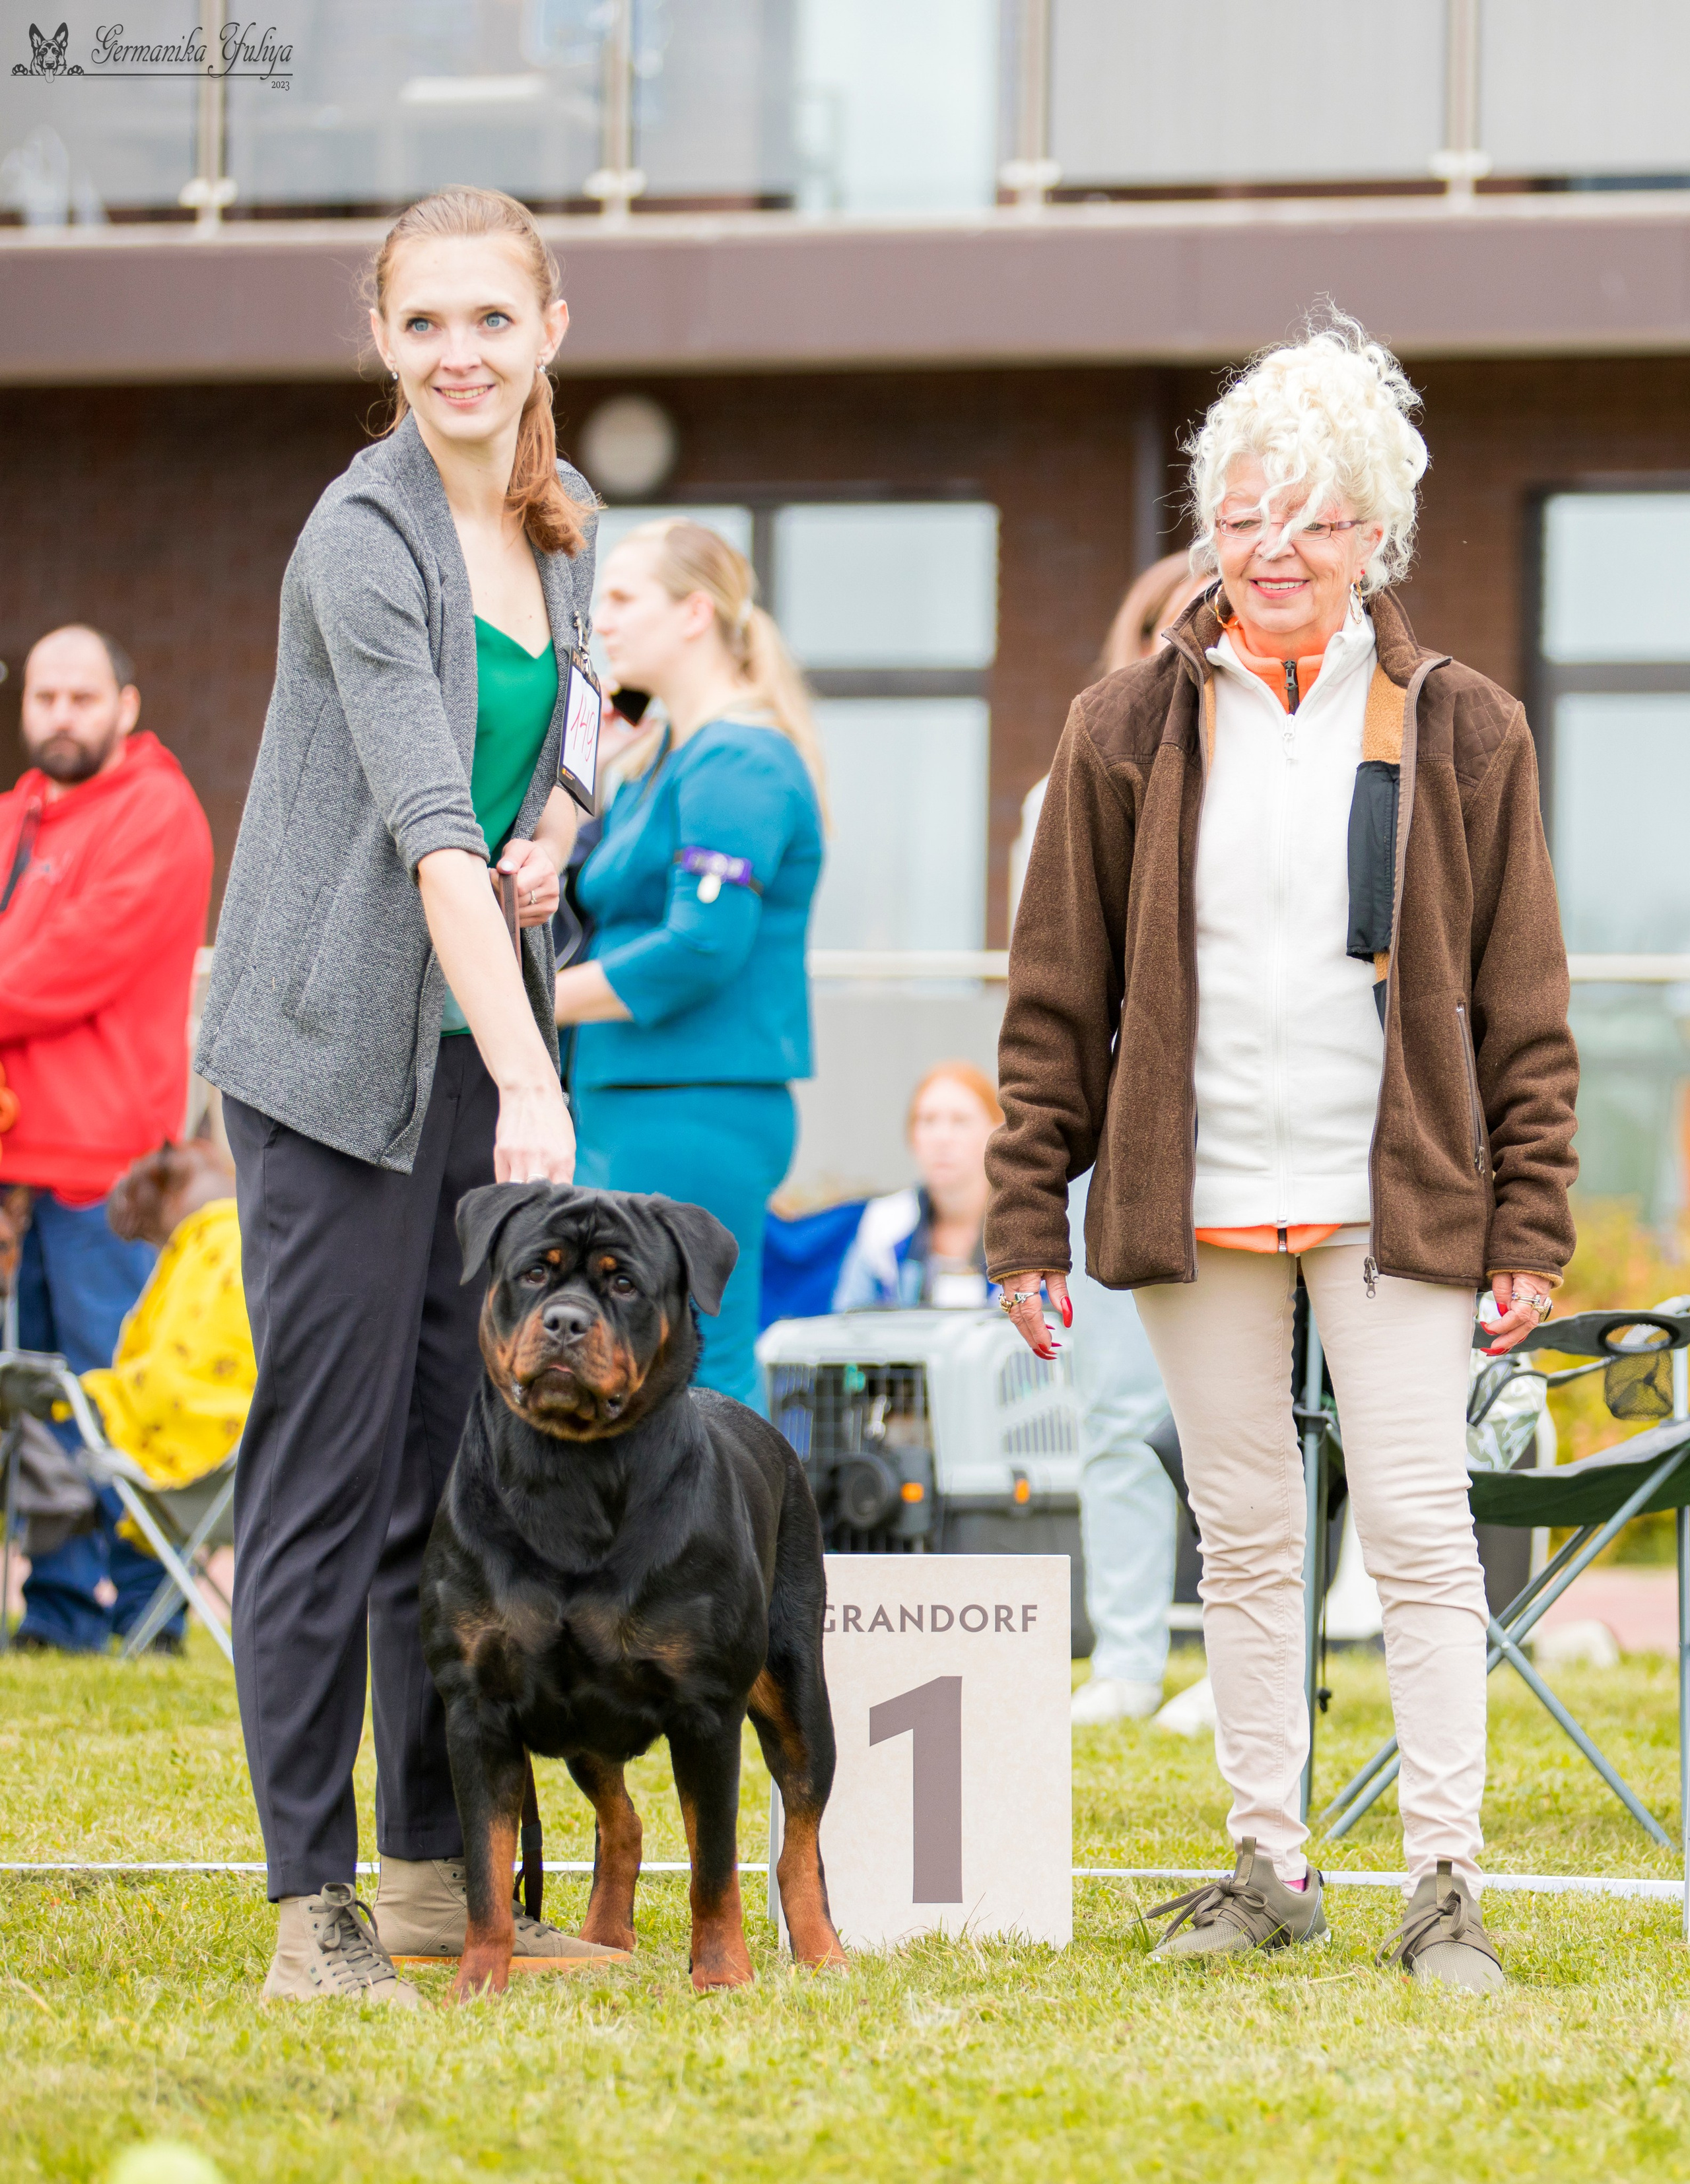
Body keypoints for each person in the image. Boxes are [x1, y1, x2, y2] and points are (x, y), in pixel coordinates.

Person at [987, 311, 1577, 1993]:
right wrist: (1028, 1215)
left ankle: (1442, 1880)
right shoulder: (1116, 726)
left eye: (1313, 517)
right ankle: (1268, 1860)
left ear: (1372, 537)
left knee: (1416, 1530)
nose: (1272, 549)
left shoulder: (1462, 727)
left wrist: (1527, 1216)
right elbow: (1054, 999)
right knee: (1239, 1538)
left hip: (1400, 1199)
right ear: (1208, 533)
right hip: (1196, 1191)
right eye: (1242, 515)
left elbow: (1523, 1006)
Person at [195, 186, 616, 2004]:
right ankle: (314, 1907)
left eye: (492, 321)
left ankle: (441, 1873)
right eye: (425, 323)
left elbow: (577, 710)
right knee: (328, 1462)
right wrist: (532, 1072)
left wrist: (565, 824)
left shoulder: (564, 516)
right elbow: (426, 830)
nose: (461, 353)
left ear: (549, 331)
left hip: (466, 1041)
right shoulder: (361, 538)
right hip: (332, 1059)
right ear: (385, 342)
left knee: (459, 1473)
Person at [559, 519, 827, 1409]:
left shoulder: (739, 759)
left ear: (695, 614)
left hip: (694, 1100)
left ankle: (735, 1552)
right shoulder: (665, 758)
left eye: (624, 598)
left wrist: (531, 1004)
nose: (604, 620)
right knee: (633, 1364)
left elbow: (701, 948)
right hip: (631, 1098)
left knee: (696, 1360)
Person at [0, 626, 213, 1653]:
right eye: (45, 696)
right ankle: (55, 1605)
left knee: (123, 1391)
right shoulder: (19, 814)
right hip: (19, 1167)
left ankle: (144, 1606)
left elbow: (64, 967)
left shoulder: (157, 813)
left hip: (108, 1170)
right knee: (39, 1397)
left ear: (126, 705)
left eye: (84, 696)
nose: (62, 715)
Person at [833, 1063, 1001, 1310]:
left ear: (997, 1132)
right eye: (928, 1121)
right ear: (912, 1136)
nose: (942, 1138)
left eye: (961, 1121)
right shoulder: (884, 1223)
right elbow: (845, 1324)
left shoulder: (1032, 1224)